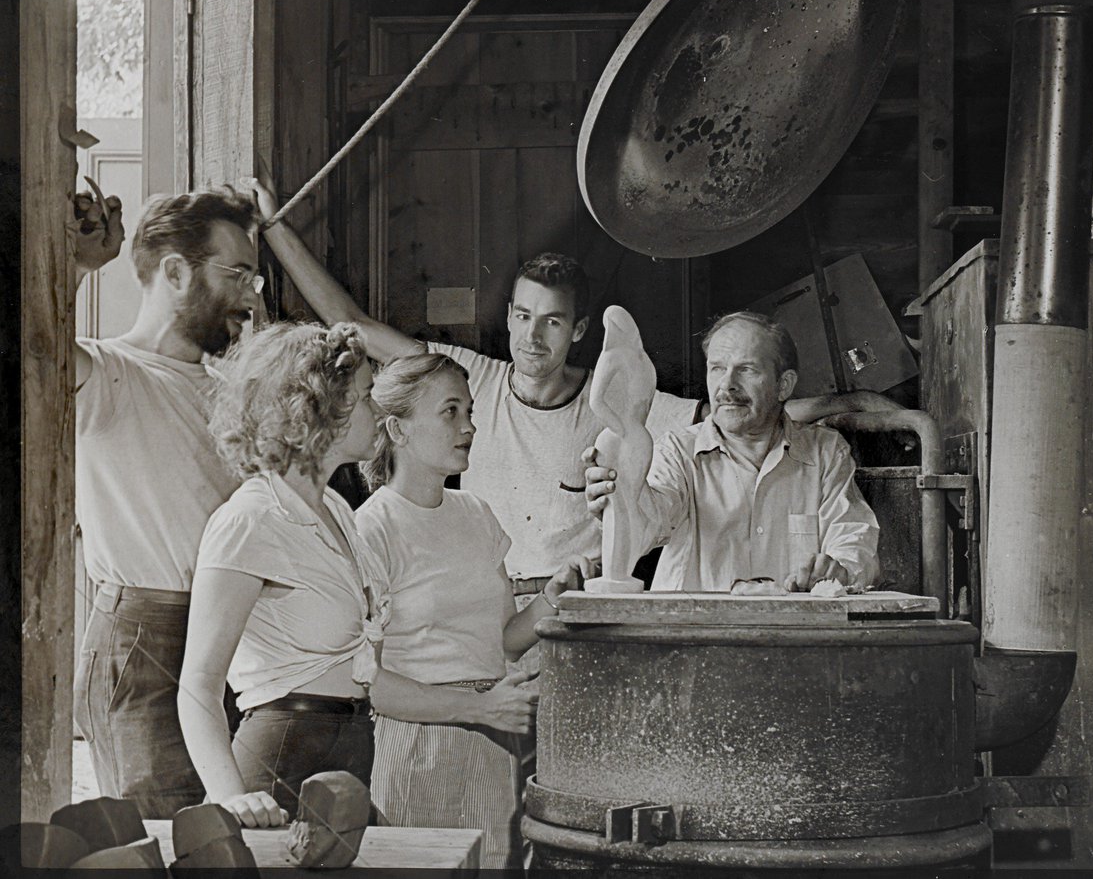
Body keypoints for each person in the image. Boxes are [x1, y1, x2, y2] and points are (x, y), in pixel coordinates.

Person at [252, 177, 892, 598]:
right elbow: (356, 328)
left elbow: (736, 411)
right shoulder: (469, 378)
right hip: (491, 598)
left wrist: (863, 404)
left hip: (571, 600)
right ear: (507, 318)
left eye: (553, 321)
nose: (533, 338)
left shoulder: (621, 402)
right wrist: (275, 229)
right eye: (523, 317)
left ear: (580, 330)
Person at [354, 351, 592, 870]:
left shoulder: (476, 513)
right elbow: (369, 680)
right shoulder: (370, 529)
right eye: (451, 412)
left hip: (492, 731)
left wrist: (553, 595)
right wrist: (477, 708)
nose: (469, 427)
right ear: (398, 428)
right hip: (415, 739)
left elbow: (502, 641)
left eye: (470, 412)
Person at [72, 185, 261, 818]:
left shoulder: (231, 388)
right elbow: (32, 348)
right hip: (147, 645)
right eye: (236, 274)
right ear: (175, 271)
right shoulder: (105, 373)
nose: (252, 295)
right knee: (164, 840)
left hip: (236, 637)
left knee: (234, 840)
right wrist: (72, 269)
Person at [177, 321, 388, 826]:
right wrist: (231, 799)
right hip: (275, 773)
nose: (377, 411)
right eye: (364, 397)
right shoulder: (249, 520)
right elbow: (198, 684)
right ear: (315, 410)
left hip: (349, 762)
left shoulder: (337, 508)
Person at [585, 311, 881, 592]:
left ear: (784, 385)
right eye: (717, 368)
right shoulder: (678, 451)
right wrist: (620, 496)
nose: (726, 385)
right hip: (692, 637)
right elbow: (652, 522)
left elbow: (853, 538)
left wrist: (838, 570)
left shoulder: (825, 453)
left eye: (747, 369)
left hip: (790, 636)